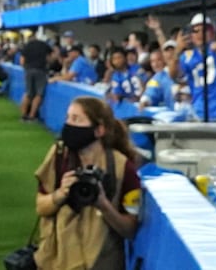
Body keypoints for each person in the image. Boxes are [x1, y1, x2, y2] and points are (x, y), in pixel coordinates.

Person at [32, 97, 140, 270]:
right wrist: (59, 195)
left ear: (99, 130)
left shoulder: (121, 167)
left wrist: (104, 206)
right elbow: (40, 207)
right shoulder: (59, 156)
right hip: (56, 261)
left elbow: (130, 230)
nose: (68, 124)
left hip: (101, 262)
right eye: (68, 118)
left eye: (76, 119)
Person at [168, 13, 216, 121]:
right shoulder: (187, 56)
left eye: (205, 29)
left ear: (212, 32)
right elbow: (174, 76)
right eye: (196, 31)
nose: (200, 34)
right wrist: (177, 50)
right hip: (199, 111)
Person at [20, 31, 54, 122]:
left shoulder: (27, 46)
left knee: (28, 93)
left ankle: (23, 116)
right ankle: (32, 116)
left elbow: (22, 61)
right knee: (39, 94)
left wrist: (26, 68)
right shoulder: (44, 45)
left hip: (29, 70)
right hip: (40, 70)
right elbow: (50, 58)